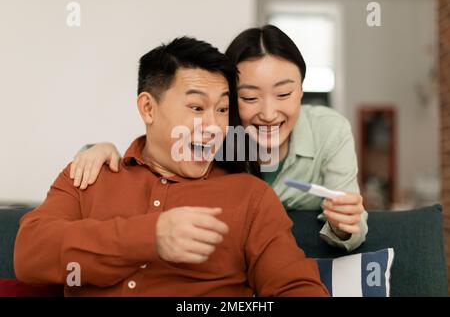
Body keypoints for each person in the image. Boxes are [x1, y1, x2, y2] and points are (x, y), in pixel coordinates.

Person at [14, 37, 329, 297]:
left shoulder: (250, 196)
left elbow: (296, 288)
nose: (213, 126)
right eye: (196, 107)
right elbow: (30, 254)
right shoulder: (89, 175)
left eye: (222, 109)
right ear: (148, 108)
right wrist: (150, 236)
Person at [71, 25, 368, 252]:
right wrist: (97, 149)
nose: (268, 113)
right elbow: (153, 159)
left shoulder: (330, 131)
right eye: (249, 97)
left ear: (301, 91)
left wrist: (345, 225)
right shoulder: (216, 135)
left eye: (284, 94)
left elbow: (354, 223)